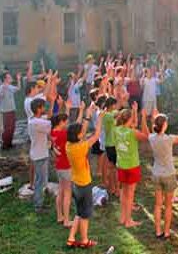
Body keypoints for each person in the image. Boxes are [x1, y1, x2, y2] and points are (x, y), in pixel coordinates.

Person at [65, 105, 105, 249]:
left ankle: (71, 238)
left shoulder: (69, 145)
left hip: (75, 183)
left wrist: (87, 115)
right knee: (85, 215)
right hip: (84, 184)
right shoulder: (81, 147)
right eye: (81, 132)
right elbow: (96, 134)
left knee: (79, 212)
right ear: (78, 136)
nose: (83, 132)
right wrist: (99, 118)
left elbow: (80, 130)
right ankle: (84, 240)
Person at [149, 108, 178, 239]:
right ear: (165, 125)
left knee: (157, 204)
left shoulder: (151, 138)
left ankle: (157, 231)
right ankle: (166, 232)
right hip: (169, 174)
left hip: (156, 173)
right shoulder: (169, 139)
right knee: (168, 205)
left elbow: (152, 130)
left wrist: (153, 118)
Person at [114, 104, 149, 227]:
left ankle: (123, 217)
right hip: (132, 166)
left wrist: (134, 112)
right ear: (129, 119)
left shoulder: (116, 130)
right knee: (130, 194)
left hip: (121, 165)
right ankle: (128, 221)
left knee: (123, 192)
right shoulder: (132, 132)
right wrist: (143, 118)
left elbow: (128, 125)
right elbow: (146, 136)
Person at [52, 101, 84, 228]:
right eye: (65, 122)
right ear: (60, 123)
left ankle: (59, 216)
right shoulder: (63, 134)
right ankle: (66, 220)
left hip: (59, 165)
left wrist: (67, 108)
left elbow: (66, 122)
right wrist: (81, 111)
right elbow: (76, 126)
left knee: (60, 190)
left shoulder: (53, 132)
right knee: (67, 192)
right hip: (66, 166)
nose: (66, 123)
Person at [28, 98, 52, 212]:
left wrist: (52, 103)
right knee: (39, 181)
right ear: (38, 109)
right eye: (43, 107)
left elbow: (48, 118)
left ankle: (39, 201)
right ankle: (38, 205)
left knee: (41, 179)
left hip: (39, 153)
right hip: (40, 155)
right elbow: (52, 123)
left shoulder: (34, 119)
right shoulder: (37, 123)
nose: (44, 108)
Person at [102, 97, 119, 197]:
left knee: (112, 168)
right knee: (115, 168)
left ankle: (112, 188)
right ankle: (115, 189)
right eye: (115, 105)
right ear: (112, 105)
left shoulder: (109, 113)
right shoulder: (108, 115)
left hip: (109, 144)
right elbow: (118, 114)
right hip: (112, 144)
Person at [0, 71, 21, 149]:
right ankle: (5, 145)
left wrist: (18, 79)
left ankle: (9, 143)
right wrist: (3, 90)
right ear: (5, 79)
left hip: (12, 110)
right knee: (7, 129)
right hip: (6, 111)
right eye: (9, 77)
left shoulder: (10, 86)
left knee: (12, 128)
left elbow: (18, 88)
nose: (11, 78)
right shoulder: (2, 87)